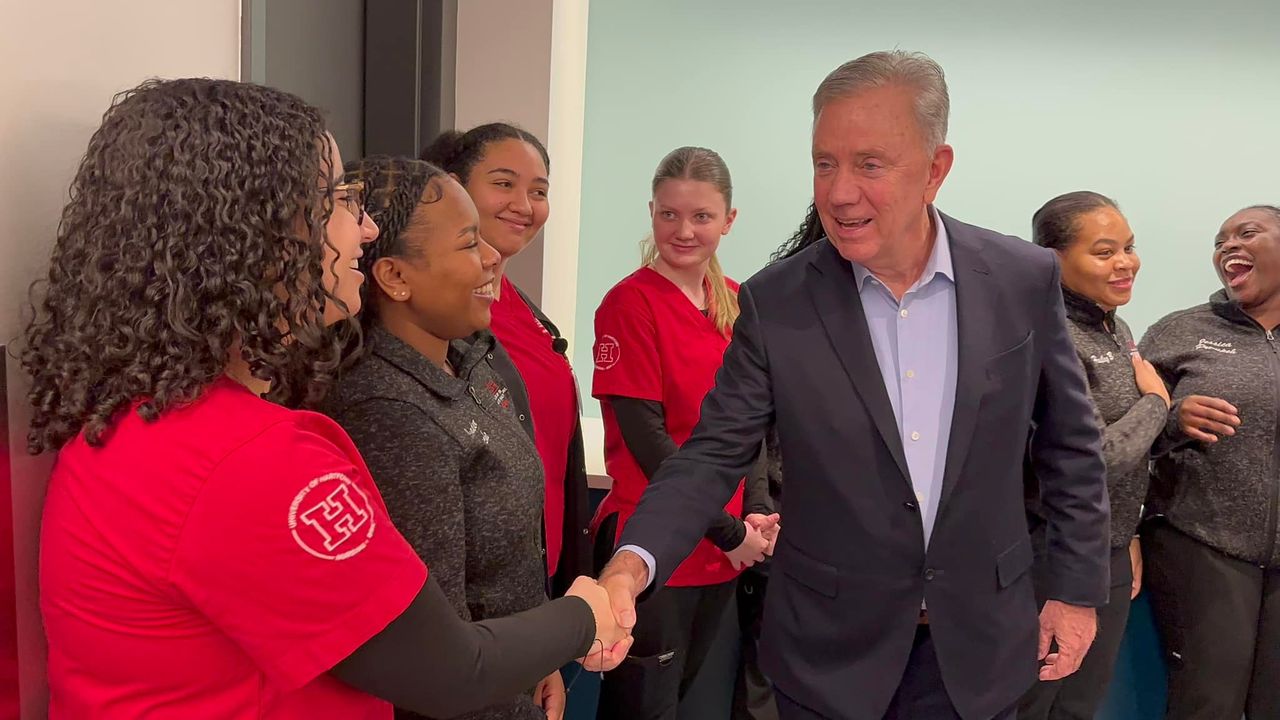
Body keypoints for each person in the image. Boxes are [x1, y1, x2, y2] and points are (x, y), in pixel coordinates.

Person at [27, 78, 626, 720]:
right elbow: (452, 669)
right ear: (255, 233)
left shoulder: (135, 414)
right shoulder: (253, 462)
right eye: (339, 200)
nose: (365, 229)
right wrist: (582, 613)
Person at [597, 51, 1110, 720]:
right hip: (827, 659)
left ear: (936, 169)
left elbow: (1071, 446)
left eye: (869, 164)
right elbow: (711, 453)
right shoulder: (776, 301)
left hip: (978, 647)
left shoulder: (1020, 279)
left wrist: (1074, 591)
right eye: (823, 163)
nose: (839, 193)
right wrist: (630, 566)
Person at [591, 146, 776, 719]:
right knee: (648, 710)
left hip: (725, 556)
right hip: (654, 550)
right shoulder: (629, 304)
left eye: (700, 216)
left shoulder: (738, 302)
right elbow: (648, 443)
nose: (684, 230)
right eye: (669, 214)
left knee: (707, 707)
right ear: (651, 212)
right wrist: (728, 532)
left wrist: (758, 515)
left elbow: (747, 425)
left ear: (729, 220)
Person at [420, 125, 593, 601]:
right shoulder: (442, 316)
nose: (524, 204)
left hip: (544, 571)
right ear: (453, 187)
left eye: (539, 191)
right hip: (482, 598)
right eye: (503, 183)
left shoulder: (524, 310)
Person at [1017, 192, 1170, 720]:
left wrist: (1126, 534)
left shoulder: (1115, 326)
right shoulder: (1045, 333)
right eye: (1104, 252)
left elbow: (1128, 449)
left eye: (1129, 247)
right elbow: (1090, 459)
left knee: (1081, 706)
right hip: (1046, 551)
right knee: (1030, 701)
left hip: (1106, 551)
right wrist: (1158, 405)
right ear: (1054, 260)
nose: (1126, 262)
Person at [1138, 204, 1280, 719]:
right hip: (1201, 545)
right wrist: (1173, 418)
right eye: (1220, 241)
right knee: (1208, 705)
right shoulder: (1180, 331)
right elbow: (1122, 433)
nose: (1227, 247)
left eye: (1247, 233)